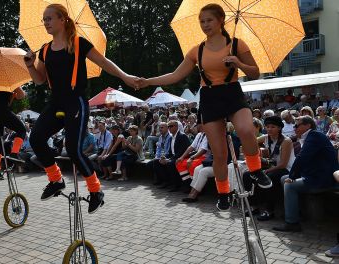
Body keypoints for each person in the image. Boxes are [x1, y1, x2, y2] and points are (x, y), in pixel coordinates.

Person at [136, 3, 271, 210]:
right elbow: (175, 75)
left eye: (209, 20)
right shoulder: (196, 50)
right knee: (219, 153)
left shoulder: (237, 44)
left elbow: (255, 73)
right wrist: (148, 81)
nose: (205, 24)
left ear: (220, 21)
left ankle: (255, 170)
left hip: (232, 91)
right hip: (209, 96)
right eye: (202, 21)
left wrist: (238, 63)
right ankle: (224, 193)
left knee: (246, 130)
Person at [24, 3, 137, 213]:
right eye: (44, 19)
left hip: (75, 101)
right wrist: (30, 65)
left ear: (62, 20)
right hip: (55, 102)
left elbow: (104, 63)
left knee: (74, 149)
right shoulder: (45, 50)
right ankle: (56, 179)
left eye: (49, 18)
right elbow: (39, 80)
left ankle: (96, 190)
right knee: (36, 138)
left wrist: (125, 76)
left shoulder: (78, 44)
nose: (46, 23)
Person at [273, 116, 339, 232]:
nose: (294, 127)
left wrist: (292, 176)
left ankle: (292, 223)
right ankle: (296, 211)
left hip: (323, 178)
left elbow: (302, 157)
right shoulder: (308, 136)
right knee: (284, 178)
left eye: (297, 125)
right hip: (314, 174)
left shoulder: (314, 136)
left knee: (289, 184)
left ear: (308, 125)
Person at [243, 116, 295, 221]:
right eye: (267, 127)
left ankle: (269, 210)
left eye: (273, 127)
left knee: (269, 178)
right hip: (272, 167)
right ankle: (253, 206)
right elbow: (248, 143)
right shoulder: (266, 137)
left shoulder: (286, 141)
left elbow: (284, 164)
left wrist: (266, 170)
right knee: (247, 174)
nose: (269, 129)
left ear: (279, 128)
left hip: (286, 169)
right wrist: (255, 150)